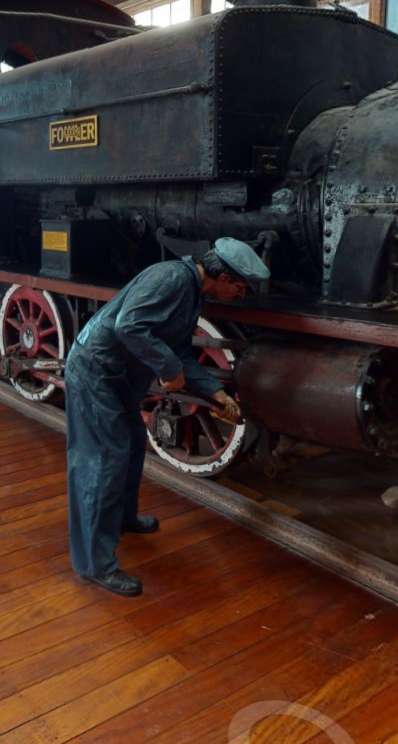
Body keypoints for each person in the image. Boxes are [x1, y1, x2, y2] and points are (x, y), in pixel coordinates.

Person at [65, 236, 272, 597]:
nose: (240, 295)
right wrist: (168, 367)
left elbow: (179, 351)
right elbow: (129, 325)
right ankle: (94, 564)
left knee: (130, 446)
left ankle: (123, 519)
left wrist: (217, 392)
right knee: (103, 460)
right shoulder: (172, 279)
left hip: (120, 378)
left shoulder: (192, 293)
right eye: (240, 288)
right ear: (223, 279)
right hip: (96, 372)